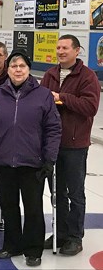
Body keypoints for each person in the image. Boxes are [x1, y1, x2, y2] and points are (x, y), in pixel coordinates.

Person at [0, 50, 61, 267]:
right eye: (14, 66)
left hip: (32, 161)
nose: (17, 70)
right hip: (4, 160)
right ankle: (11, 245)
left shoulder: (42, 95)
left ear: (28, 69)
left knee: (32, 207)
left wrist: (49, 159)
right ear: (8, 69)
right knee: (8, 204)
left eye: (22, 66)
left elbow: (53, 129)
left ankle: (33, 250)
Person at [40, 34, 100, 256]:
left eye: (65, 48)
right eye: (58, 47)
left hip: (75, 145)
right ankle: (61, 233)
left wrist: (62, 98)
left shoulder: (87, 76)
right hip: (52, 144)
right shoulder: (50, 74)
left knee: (75, 192)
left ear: (77, 51)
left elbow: (90, 106)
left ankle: (75, 236)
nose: (61, 51)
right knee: (57, 192)